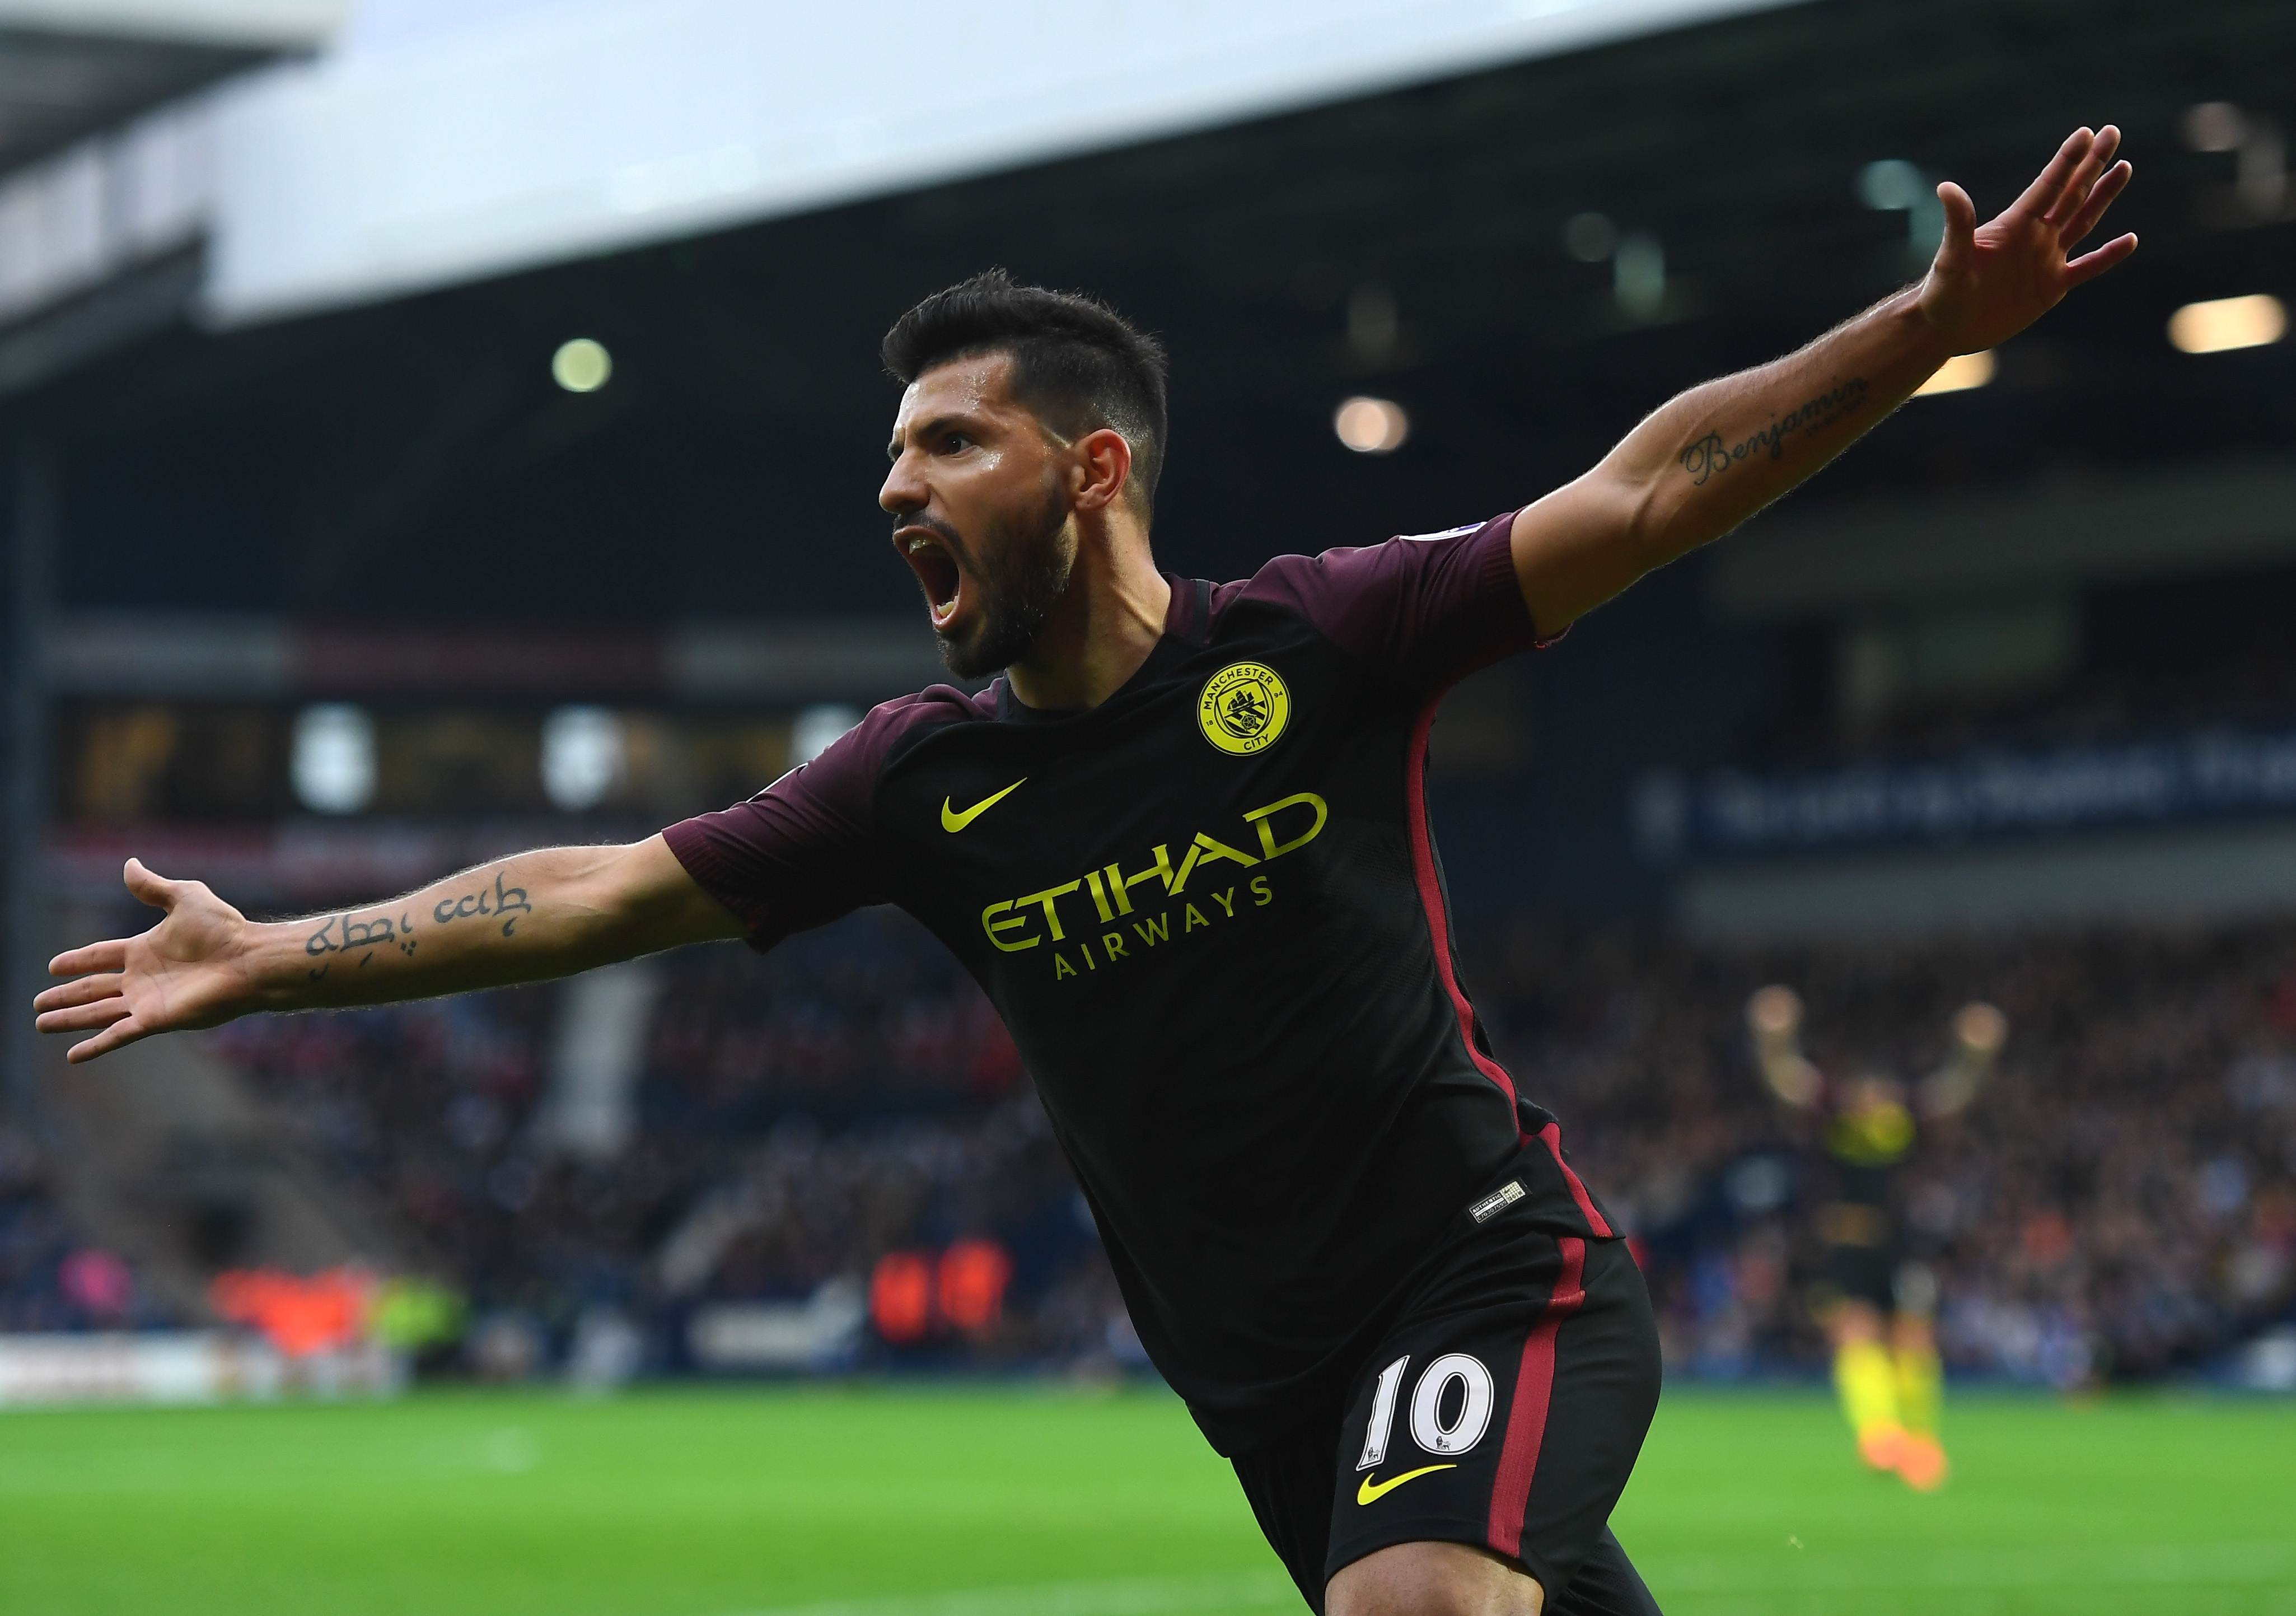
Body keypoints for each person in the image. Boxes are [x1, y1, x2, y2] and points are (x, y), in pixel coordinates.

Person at [35, 127, 2133, 1615]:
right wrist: (276, 952)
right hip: (1260, 1378)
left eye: (946, 444)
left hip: (1480, 1271)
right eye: (888, 461)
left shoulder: (1314, 641)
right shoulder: (911, 784)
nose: (893, 490)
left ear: (1091, 464)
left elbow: (1649, 487)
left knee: (1414, 1602)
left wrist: (1922, 326)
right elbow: (591, 892)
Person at [1746, 986, 2008, 1492]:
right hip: (1843, 1243)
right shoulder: (1830, 1113)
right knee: (1852, 1331)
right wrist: (1773, 1039)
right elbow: (1783, 1081)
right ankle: (1880, 1436)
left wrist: (1976, 1052)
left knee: (1912, 1337)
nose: (1873, 1100)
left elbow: (1958, 1090)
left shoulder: (1907, 1116)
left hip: (1900, 1243)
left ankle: (1922, 1442)